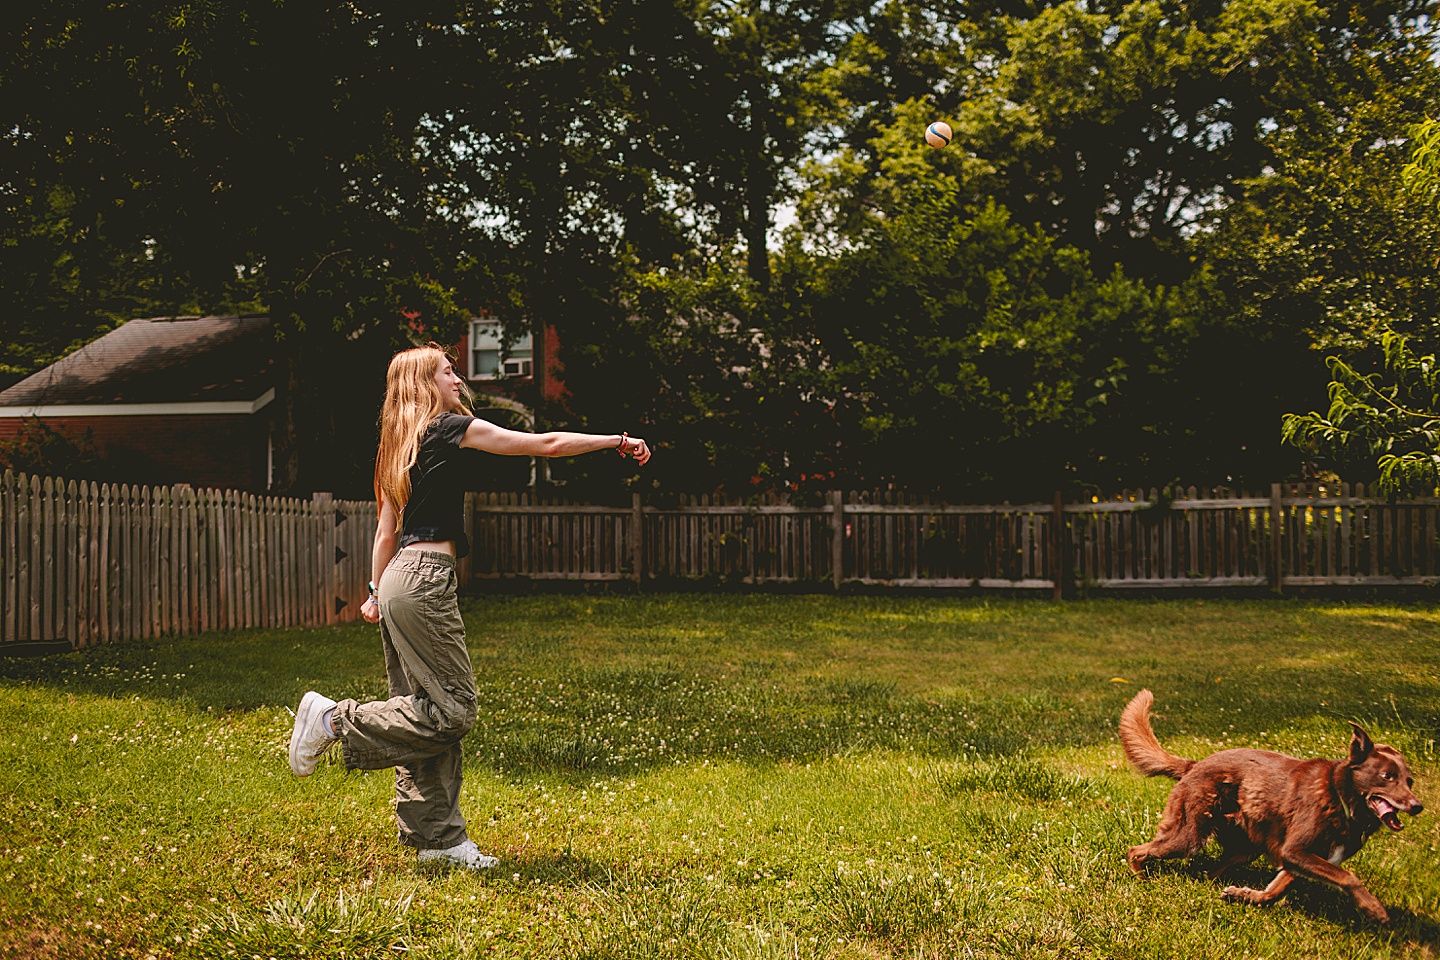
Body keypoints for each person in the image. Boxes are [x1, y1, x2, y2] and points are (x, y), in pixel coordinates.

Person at [287, 343, 650, 870]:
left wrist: (374, 592)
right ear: (424, 384)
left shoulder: (396, 447)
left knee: (419, 707)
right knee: (452, 709)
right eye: (448, 372)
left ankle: (435, 840)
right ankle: (333, 720)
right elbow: (545, 444)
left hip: (396, 580)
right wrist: (616, 440)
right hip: (425, 580)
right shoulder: (449, 429)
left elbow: (385, 533)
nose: (458, 380)